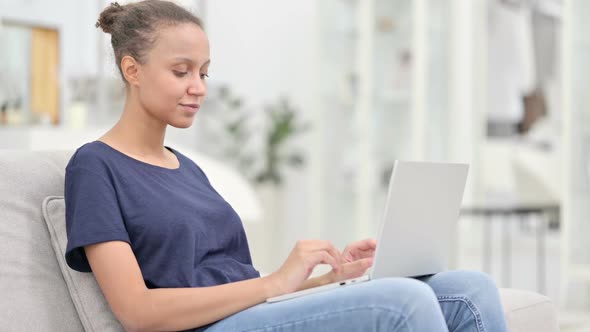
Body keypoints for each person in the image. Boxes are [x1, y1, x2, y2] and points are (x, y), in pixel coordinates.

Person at [64, 1, 509, 331]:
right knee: (405, 301)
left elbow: (246, 288)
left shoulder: (188, 168)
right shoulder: (95, 167)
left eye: (204, 72)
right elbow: (137, 312)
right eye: (181, 71)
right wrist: (275, 283)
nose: (198, 87)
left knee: (472, 288)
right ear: (132, 70)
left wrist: (332, 279)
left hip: (248, 314)